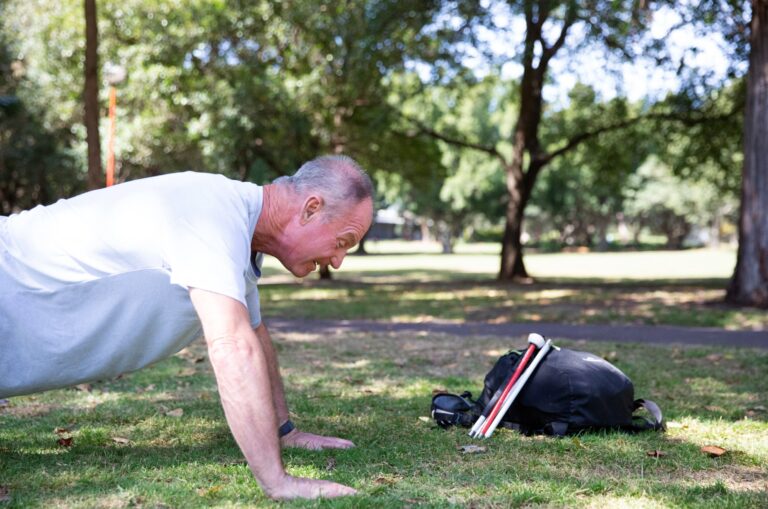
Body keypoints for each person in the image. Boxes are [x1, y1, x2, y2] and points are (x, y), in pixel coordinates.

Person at [0, 155, 374, 500]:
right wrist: (277, 481)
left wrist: (285, 433)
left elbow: (254, 333)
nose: (338, 261)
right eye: (342, 242)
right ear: (311, 209)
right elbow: (230, 344)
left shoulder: (239, 234)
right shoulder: (211, 211)